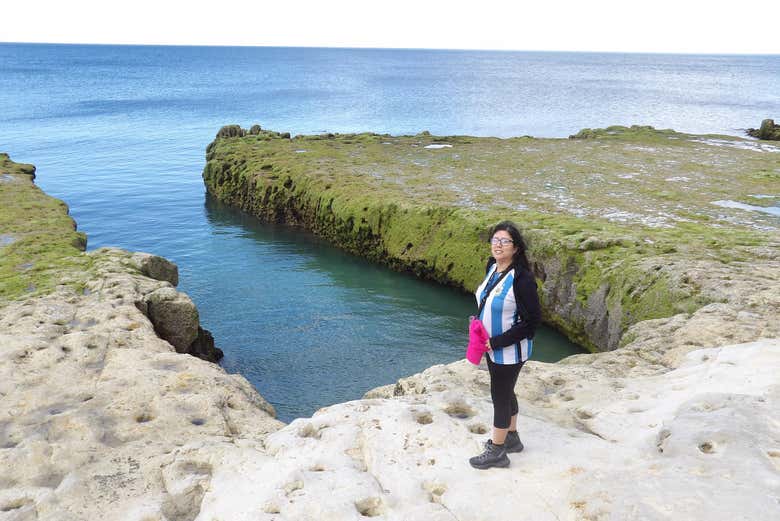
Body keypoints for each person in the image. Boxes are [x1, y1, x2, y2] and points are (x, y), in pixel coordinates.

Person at [469, 221, 541, 470]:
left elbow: (531, 323)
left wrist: (496, 342)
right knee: (507, 391)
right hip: (491, 346)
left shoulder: (522, 280)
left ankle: (497, 451)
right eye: (495, 240)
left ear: (516, 248)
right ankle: (512, 437)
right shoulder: (493, 267)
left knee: (499, 396)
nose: (498, 245)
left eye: (505, 241)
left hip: (508, 350)